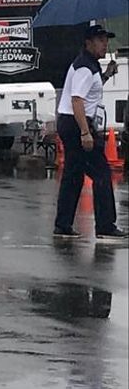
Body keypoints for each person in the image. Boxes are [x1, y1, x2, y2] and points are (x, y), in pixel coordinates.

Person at [54, 24, 128, 240]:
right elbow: (77, 100)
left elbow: (89, 92)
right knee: (102, 173)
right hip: (77, 123)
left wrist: (106, 74)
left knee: (74, 175)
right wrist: (85, 133)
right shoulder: (85, 68)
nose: (105, 44)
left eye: (106, 40)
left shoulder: (90, 65)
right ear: (88, 42)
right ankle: (105, 225)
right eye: (101, 40)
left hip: (71, 122)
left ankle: (63, 224)